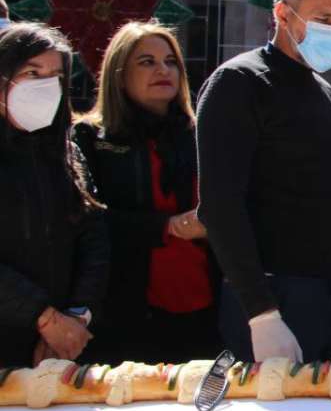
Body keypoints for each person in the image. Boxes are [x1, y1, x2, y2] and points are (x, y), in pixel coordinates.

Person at [196, 0, 331, 363]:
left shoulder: (322, 90)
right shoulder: (239, 82)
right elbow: (220, 206)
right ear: (282, 13)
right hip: (274, 294)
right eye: (323, 17)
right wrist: (261, 313)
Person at [74, 22, 220, 364]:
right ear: (119, 72)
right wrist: (166, 227)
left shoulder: (198, 135)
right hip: (125, 309)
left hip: (202, 305)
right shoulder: (91, 138)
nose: (162, 70)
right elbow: (88, 221)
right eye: (147, 62)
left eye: (171, 61)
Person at [0, 23, 108, 367]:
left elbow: (94, 237)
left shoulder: (65, 152)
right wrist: (44, 318)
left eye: (56, 76)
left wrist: (75, 318)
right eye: (32, 72)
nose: (45, 85)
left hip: (62, 345)